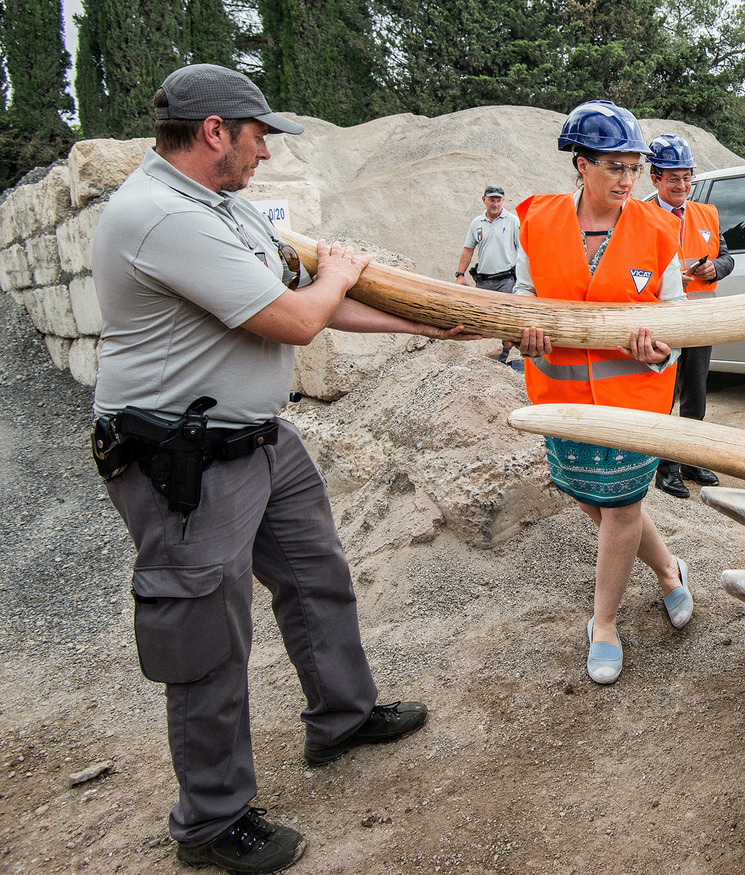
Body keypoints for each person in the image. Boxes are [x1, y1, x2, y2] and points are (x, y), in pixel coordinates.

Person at [91, 64, 480, 874]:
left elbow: (315, 298)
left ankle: (342, 714)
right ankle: (211, 818)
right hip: (182, 460)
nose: (265, 152)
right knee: (204, 632)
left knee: (315, 574)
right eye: (258, 134)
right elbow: (300, 317)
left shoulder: (220, 207)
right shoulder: (160, 216)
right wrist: (341, 267)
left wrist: (430, 326)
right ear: (214, 133)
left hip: (260, 436)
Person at [510, 100, 692, 685]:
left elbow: (678, 316)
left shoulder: (659, 229)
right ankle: (669, 571)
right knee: (593, 500)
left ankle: (604, 625)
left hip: (634, 402)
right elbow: (519, 294)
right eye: (615, 167)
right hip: (560, 398)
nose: (627, 180)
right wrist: (525, 330)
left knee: (621, 509)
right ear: (581, 165)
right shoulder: (535, 222)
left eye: (633, 168)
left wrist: (663, 347)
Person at [644, 133, 734, 499]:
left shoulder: (706, 214)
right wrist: (662, 280)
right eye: (672, 178)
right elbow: (626, 271)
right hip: (664, 320)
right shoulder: (639, 217)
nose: (682, 185)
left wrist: (715, 268)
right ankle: (665, 468)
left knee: (695, 394)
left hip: (700, 318)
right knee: (665, 393)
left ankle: (692, 459)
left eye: (686, 177)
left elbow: (726, 258)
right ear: (655, 179)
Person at [456, 184, 521, 360]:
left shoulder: (513, 221)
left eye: (498, 200)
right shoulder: (477, 223)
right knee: (482, 318)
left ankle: (504, 356)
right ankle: (482, 359)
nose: (495, 204)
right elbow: (468, 250)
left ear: (503, 201)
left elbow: (522, 249)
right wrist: (460, 275)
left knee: (506, 318)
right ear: (484, 200)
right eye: (492, 200)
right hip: (483, 281)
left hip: (506, 279)